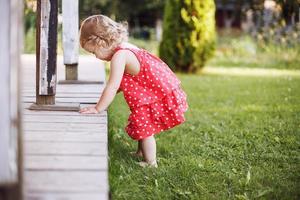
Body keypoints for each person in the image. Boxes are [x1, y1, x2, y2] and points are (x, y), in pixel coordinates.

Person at [79, 15, 188, 168]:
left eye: (93, 52)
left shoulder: (119, 56)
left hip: (154, 94)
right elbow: (122, 84)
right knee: (140, 120)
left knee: (145, 127)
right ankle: (141, 152)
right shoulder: (125, 47)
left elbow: (113, 85)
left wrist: (98, 108)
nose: (96, 57)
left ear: (100, 42)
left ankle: (151, 162)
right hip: (154, 91)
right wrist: (103, 99)